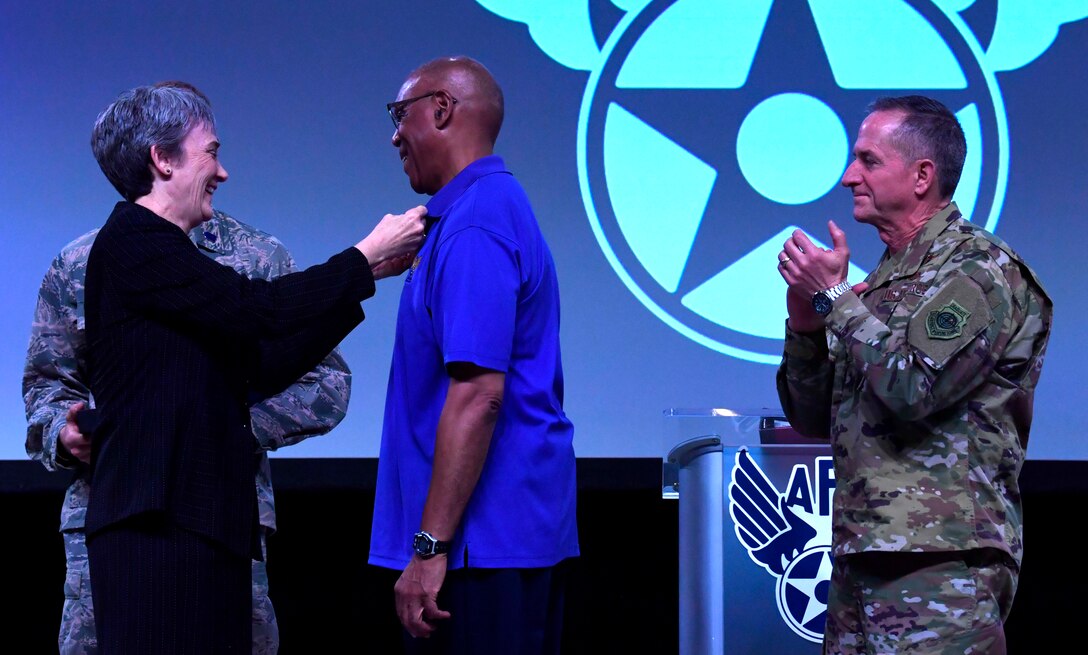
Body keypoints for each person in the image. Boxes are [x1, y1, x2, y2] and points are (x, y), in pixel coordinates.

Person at [78, 82, 424, 653]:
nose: (223, 172)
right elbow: (256, 309)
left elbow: (258, 364)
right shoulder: (135, 241)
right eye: (211, 152)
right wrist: (363, 256)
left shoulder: (165, 253)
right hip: (157, 529)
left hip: (199, 521)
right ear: (163, 160)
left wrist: (369, 277)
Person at [775, 95, 1052, 654]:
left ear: (922, 175)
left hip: (941, 562)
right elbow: (811, 418)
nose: (849, 176)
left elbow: (912, 387)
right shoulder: (883, 281)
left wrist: (835, 299)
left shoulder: (979, 268)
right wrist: (805, 323)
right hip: (861, 556)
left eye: (868, 160)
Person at [24, 201, 353, 654]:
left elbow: (326, 382)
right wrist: (63, 433)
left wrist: (220, 427)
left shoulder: (258, 257)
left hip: (221, 513)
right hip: (111, 509)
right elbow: (47, 382)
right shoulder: (82, 260)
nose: (220, 172)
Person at [368, 56, 578, 655]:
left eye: (399, 114)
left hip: (478, 550)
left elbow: (480, 394)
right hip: (490, 543)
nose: (394, 135)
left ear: (441, 109)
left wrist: (429, 548)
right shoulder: (474, 213)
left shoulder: (475, 224)